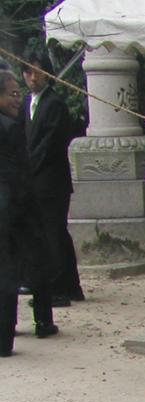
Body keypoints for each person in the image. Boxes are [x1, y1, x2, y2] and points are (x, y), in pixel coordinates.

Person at [21, 54, 83, 315]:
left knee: (52, 233)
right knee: (55, 232)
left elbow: (48, 145)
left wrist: (28, 169)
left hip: (51, 181)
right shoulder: (28, 102)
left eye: (37, 72)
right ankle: (70, 284)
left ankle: (58, 287)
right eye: (27, 72)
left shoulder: (54, 103)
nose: (32, 77)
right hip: (37, 180)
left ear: (47, 73)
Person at [1, 68, 42, 356]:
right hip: (8, 212)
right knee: (6, 275)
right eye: (13, 94)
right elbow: (18, 174)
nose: (18, 100)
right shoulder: (10, 128)